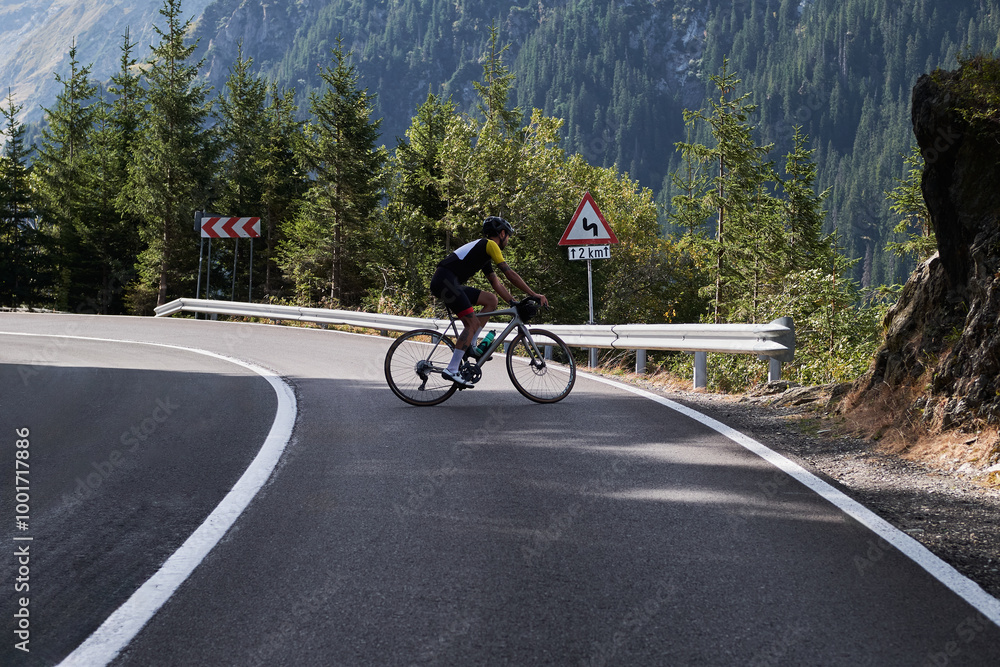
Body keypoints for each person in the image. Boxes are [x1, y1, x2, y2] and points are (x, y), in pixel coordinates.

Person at [430, 216, 549, 388]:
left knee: (491, 300)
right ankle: (452, 369)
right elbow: (509, 274)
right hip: (445, 283)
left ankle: (471, 345)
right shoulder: (490, 245)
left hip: (447, 282)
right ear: (502, 233)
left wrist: (512, 302)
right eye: (508, 236)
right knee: (472, 324)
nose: (508, 240)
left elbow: (495, 283)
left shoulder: (483, 252)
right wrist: (533, 294)